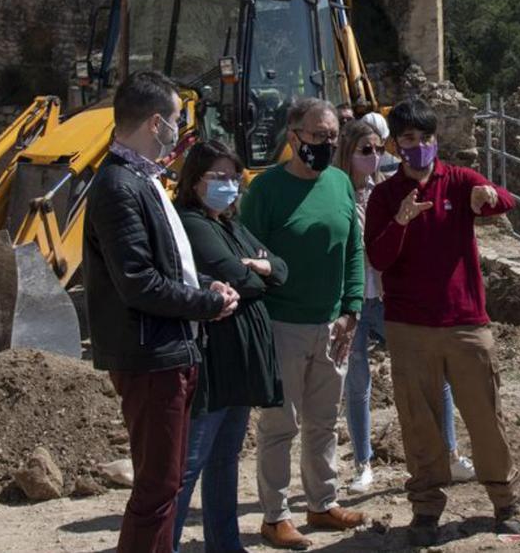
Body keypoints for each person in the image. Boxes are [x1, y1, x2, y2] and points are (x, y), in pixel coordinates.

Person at [83, 70, 240, 553]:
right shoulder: (117, 186)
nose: (180, 129)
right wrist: (208, 303)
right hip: (150, 355)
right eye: (176, 119)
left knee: (164, 484)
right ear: (155, 123)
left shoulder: (141, 180)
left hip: (169, 350)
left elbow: (163, 265)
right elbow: (139, 283)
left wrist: (199, 286)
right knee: (156, 488)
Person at [365, 100, 520, 547]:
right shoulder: (384, 196)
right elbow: (377, 257)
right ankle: (426, 509)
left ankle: (504, 501)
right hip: (409, 327)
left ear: (436, 141)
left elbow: (502, 200)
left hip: (466, 323)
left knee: (484, 417)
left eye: (427, 139)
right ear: (397, 145)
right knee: (419, 421)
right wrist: (400, 222)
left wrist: (489, 198)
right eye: (410, 141)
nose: (420, 148)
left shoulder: (457, 181)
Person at [241, 98, 367, 550]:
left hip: (331, 324)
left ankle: (322, 502)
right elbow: (247, 256)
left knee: (323, 422)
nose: (327, 145)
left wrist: (352, 309)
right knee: (280, 424)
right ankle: (275, 516)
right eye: (318, 136)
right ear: (293, 136)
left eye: (333, 137)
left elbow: (354, 248)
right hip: (282, 325)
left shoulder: (339, 184)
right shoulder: (266, 190)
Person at [334, 120, 474, 495]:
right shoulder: (335, 193)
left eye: (380, 149)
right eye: (367, 150)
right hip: (353, 299)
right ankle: (363, 464)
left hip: (387, 296)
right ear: (348, 152)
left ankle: (450, 453)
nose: (376, 157)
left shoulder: (388, 191)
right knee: (358, 383)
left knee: (433, 376)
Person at [171, 139, 289, 553]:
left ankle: (224, 544)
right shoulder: (193, 222)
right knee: (191, 462)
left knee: (224, 460)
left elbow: (280, 269)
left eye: (233, 177)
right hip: (213, 360)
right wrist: (258, 269)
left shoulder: (229, 223)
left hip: (240, 363)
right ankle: (162, 543)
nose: (228, 184)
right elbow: (239, 277)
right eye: (217, 177)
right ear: (194, 180)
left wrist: (258, 266)